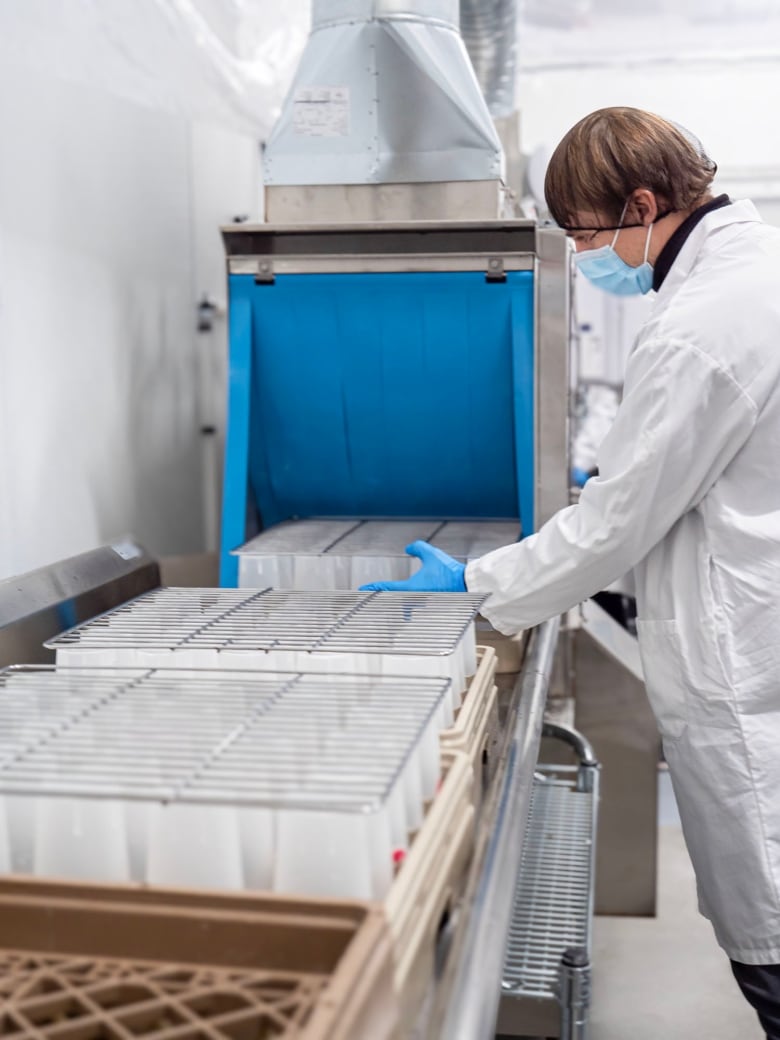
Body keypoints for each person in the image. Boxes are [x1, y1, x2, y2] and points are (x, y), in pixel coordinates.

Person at [360, 106, 780, 1039]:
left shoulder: (700, 328)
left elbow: (616, 526)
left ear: (643, 204)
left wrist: (475, 586)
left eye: (589, 236)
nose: (592, 256)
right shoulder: (755, 273)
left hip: (750, 671)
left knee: (774, 955)